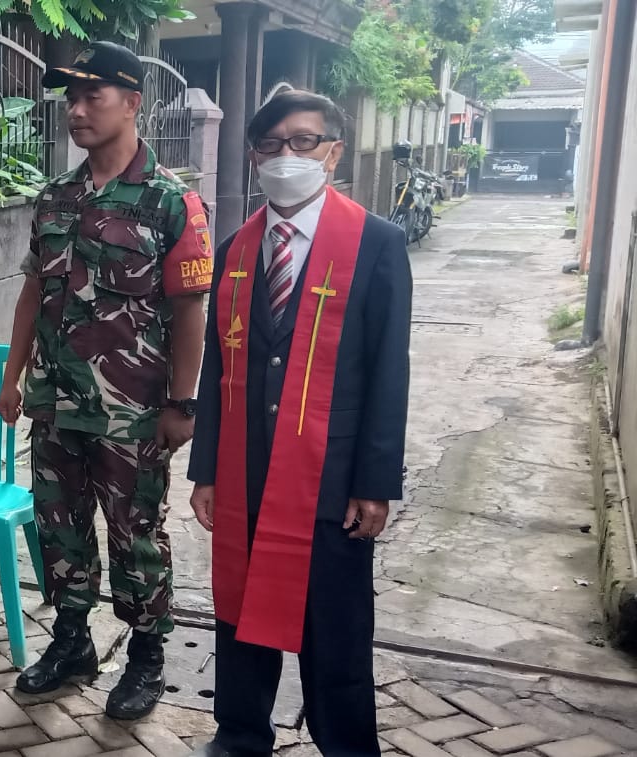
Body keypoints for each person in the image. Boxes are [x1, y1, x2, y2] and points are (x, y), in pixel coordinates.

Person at [186, 88, 411, 757]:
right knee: (238, 615)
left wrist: (375, 481)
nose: (288, 156)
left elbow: (387, 372)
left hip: (331, 476)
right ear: (255, 155)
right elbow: (215, 363)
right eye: (273, 144)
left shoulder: (376, 243)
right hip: (247, 467)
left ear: (333, 152)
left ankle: (345, 744)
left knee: (334, 627)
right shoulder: (236, 246)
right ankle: (241, 734)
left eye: (304, 141)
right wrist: (205, 469)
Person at [0, 41, 214, 718]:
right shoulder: (55, 197)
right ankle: (71, 641)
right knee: (60, 530)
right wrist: (12, 376)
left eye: (93, 96)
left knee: (136, 533)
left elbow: (189, 309)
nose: (77, 109)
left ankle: (146, 656)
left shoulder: (172, 202)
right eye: (71, 97)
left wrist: (182, 401)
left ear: (132, 103)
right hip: (55, 405)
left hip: (134, 411)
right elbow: (34, 290)